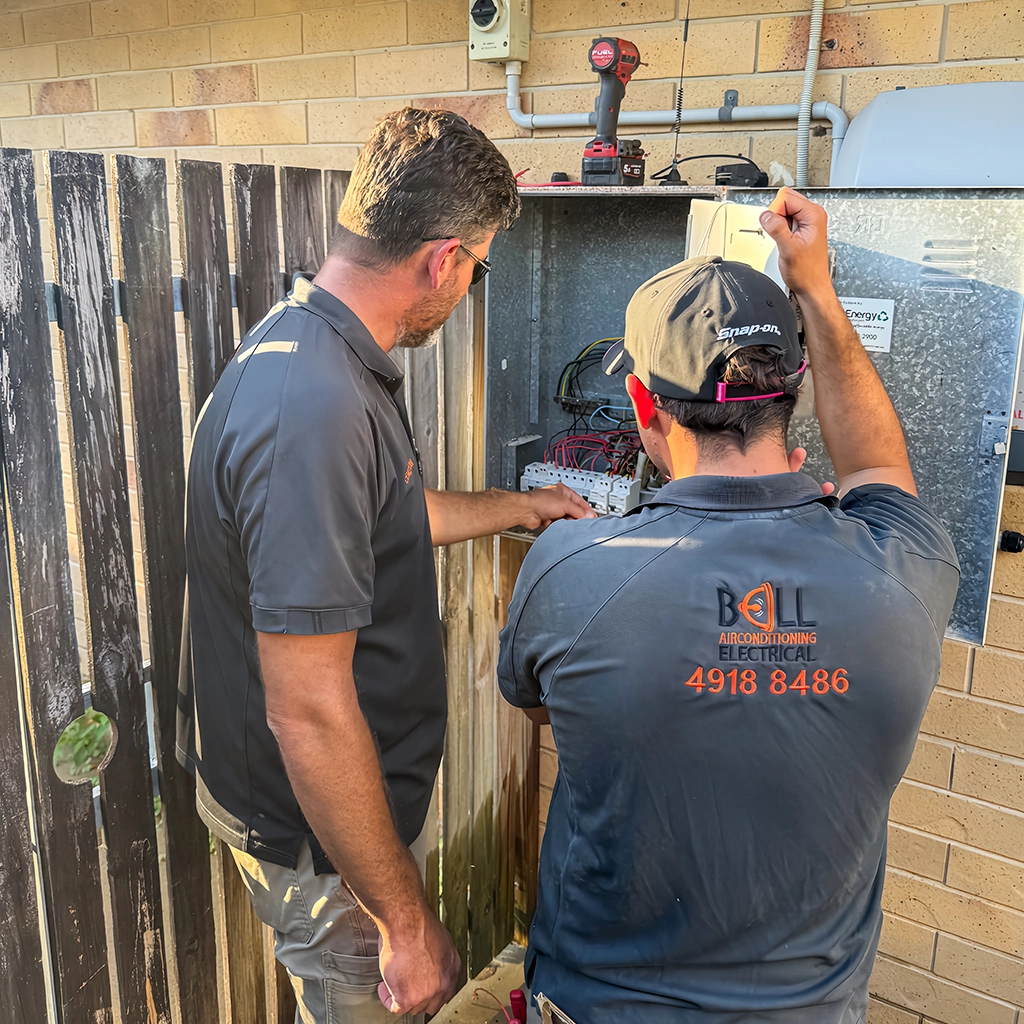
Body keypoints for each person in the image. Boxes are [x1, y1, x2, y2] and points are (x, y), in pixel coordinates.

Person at [496, 188, 960, 1023]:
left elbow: (537, 704)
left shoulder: (574, 568)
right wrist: (812, 286)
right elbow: (878, 471)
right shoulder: (904, 571)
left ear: (643, 406)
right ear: (793, 391)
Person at [178, 107, 593, 1024]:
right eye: (478, 268)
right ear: (443, 259)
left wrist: (525, 507)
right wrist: (404, 922)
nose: (469, 287)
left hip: (333, 839)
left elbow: (388, 519)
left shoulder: (321, 354)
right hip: (325, 859)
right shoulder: (314, 412)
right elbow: (309, 709)